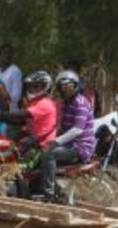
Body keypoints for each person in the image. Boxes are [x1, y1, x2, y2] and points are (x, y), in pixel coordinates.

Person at [40, 70, 96, 202]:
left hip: (80, 147)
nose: (65, 91)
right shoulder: (67, 103)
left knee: (49, 154)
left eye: (68, 87)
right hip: (70, 145)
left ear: (76, 86)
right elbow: (62, 127)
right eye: (62, 88)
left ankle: (49, 194)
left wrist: (56, 141)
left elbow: (77, 130)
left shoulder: (80, 103)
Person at [0, 70, 57, 153]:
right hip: (34, 141)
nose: (32, 89)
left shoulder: (45, 103)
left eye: (36, 86)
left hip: (42, 145)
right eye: (30, 86)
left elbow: (22, 114)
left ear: (45, 87)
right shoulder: (35, 102)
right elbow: (21, 122)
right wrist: (0, 119)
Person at [0, 43, 23, 108]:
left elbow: (16, 96)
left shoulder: (15, 71)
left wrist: (4, 94)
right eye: (5, 53)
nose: (8, 55)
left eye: (10, 53)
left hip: (11, 113)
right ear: (0, 55)